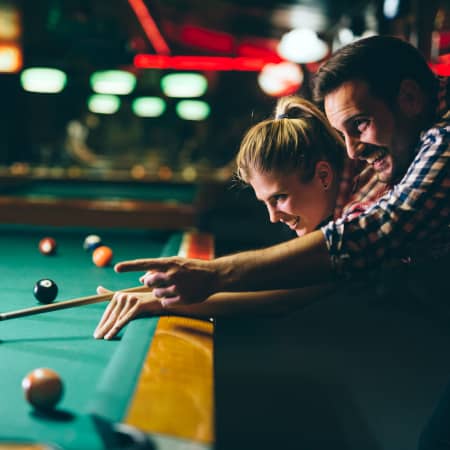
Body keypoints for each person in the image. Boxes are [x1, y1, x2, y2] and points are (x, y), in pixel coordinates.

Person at [102, 35, 449, 306]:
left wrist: (212, 274)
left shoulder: (444, 138)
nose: (352, 150)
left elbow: (381, 229)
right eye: (343, 133)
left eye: (360, 124)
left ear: (409, 98)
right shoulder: (394, 152)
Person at [93, 96, 386, 339]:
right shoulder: (340, 198)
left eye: (280, 198)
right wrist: (162, 294)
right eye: (266, 203)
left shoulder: (363, 205)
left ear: (323, 175)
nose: (274, 217)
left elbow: (290, 297)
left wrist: (162, 303)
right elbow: (284, 283)